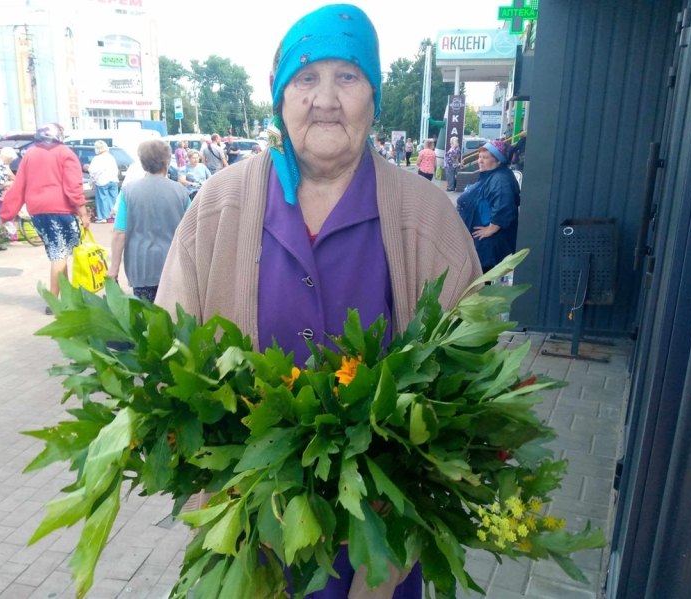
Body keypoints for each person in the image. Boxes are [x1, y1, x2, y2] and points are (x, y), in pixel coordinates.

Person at [155, 5, 480, 596]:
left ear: (373, 99)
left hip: (379, 537)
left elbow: (469, 384)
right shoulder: (218, 207)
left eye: (348, 77)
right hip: (253, 526)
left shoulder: (426, 217)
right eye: (306, 79)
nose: (326, 99)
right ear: (281, 99)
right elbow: (175, 356)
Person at [0, 123, 90, 312]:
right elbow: (74, 186)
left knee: (60, 254)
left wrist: (6, 213)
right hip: (62, 210)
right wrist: (83, 213)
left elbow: (19, 186)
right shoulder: (65, 153)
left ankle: (66, 297)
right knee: (60, 255)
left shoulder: (30, 155)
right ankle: (55, 302)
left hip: (38, 212)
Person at [106, 140, 190, 303]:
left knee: (147, 318)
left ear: (143, 164)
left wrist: (114, 268)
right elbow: (192, 230)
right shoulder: (181, 192)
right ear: (167, 163)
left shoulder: (128, 191)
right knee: (172, 316)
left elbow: (119, 233)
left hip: (142, 266)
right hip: (174, 266)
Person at [456, 140, 520, 274]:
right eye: (480, 157)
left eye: (485, 158)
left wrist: (491, 229)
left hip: (487, 246)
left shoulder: (500, 179)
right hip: (481, 244)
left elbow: (505, 206)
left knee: (479, 285)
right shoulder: (491, 176)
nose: (480, 161)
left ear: (498, 161)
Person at [88, 140, 119, 223]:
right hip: (113, 180)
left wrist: (88, 168)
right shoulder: (111, 157)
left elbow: (93, 170)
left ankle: (103, 217)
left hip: (102, 181)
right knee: (113, 199)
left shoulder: (97, 158)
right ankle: (114, 216)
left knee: (102, 199)